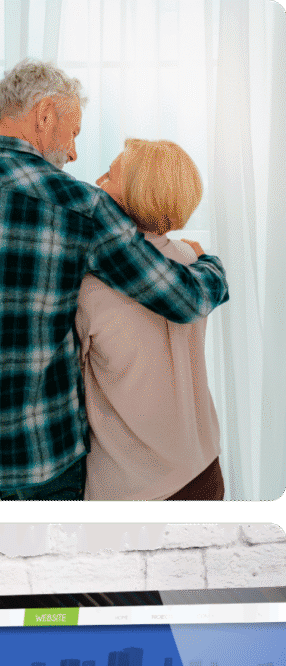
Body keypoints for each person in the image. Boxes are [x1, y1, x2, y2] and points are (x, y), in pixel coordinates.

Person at [0, 58, 229, 501]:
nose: (74, 152)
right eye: (74, 132)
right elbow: (182, 299)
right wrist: (211, 266)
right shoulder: (81, 206)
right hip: (47, 469)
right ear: (45, 115)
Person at [77, 140, 223, 501]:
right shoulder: (193, 258)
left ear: (137, 195)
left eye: (109, 175)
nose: (97, 182)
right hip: (205, 471)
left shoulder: (91, 289)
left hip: (134, 490)